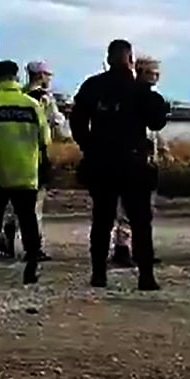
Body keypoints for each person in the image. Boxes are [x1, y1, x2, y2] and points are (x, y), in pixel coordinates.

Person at [70, 39, 170, 289]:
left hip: (101, 162)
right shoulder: (139, 89)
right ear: (131, 60)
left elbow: (77, 120)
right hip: (133, 161)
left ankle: (99, 274)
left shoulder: (93, 86)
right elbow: (157, 122)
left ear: (108, 58)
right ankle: (146, 276)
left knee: (102, 219)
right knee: (140, 221)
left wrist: (88, 145)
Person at [0, 59, 69, 260]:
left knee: (9, 206)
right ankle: (34, 248)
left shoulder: (17, 95)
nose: (49, 79)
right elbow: (55, 128)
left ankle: (7, 239)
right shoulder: (41, 100)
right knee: (33, 207)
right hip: (32, 160)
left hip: (4, 161)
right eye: (48, 75)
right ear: (41, 75)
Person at [0, 60, 50, 284]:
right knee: (28, 219)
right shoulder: (31, 105)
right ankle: (31, 266)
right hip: (25, 172)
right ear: (16, 77)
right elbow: (44, 139)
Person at [110, 55, 166, 267]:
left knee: (140, 209)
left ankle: (134, 249)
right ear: (141, 72)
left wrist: (162, 148)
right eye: (153, 72)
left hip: (143, 158)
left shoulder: (137, 97)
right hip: (134, 159)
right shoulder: (139, 98)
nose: (156, 77)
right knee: (131, 209)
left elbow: (153, 132)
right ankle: (124, 248)